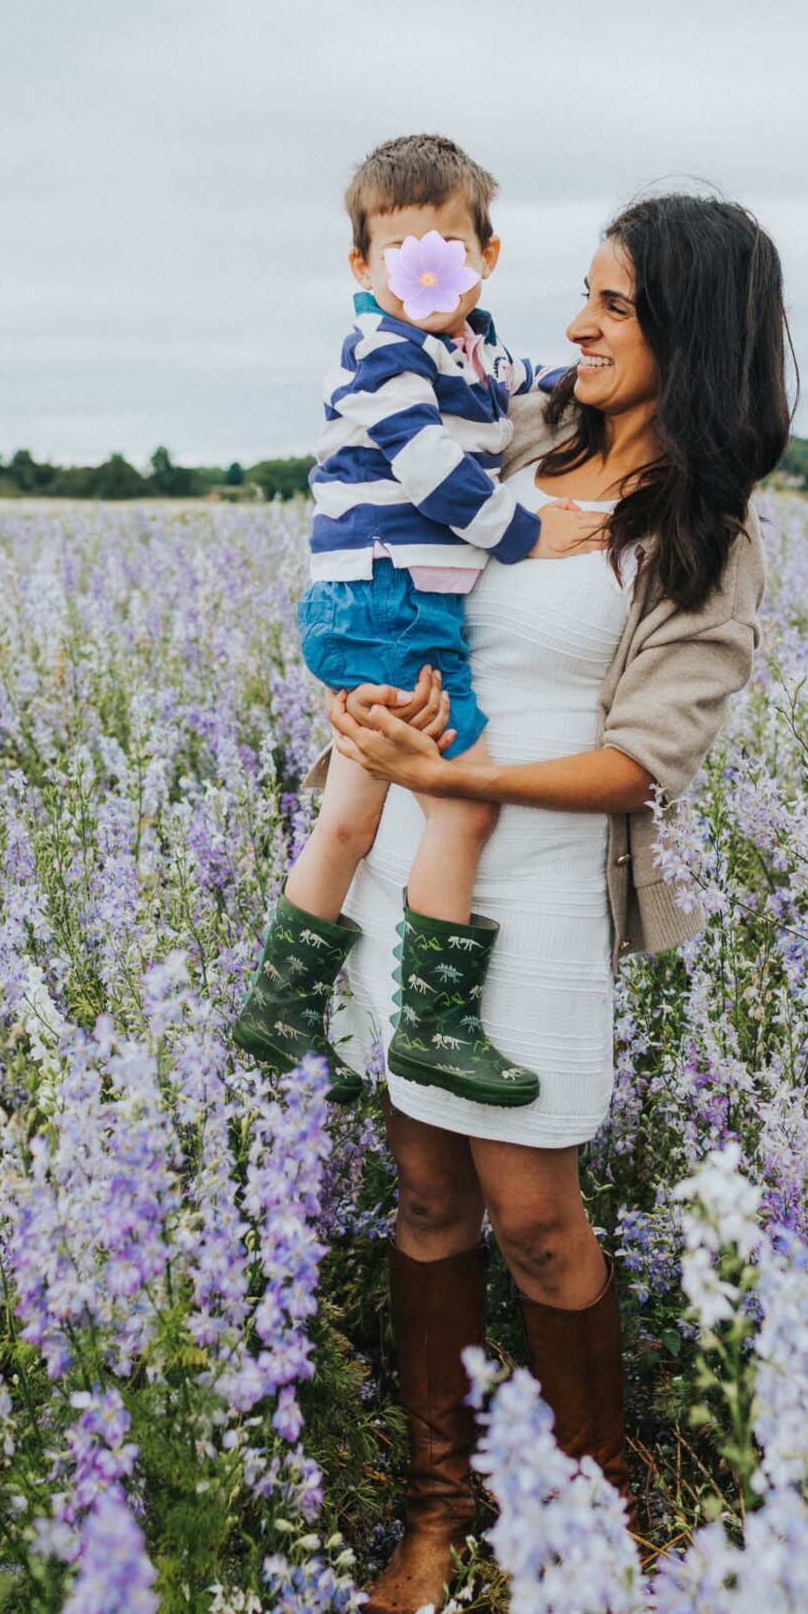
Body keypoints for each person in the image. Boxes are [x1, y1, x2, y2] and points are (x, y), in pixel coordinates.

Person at [315, 189, 795, 1614]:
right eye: (578, 294)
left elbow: (641, 759)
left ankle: (593, 1506)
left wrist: (454, 769)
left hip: (532, 872)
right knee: (423, 1189)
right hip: (407, 841)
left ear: (690, 337)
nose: (574, 325)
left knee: (532, 1215)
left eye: (613, 306)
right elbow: (364, 534)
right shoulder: (508, 442)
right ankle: (440, 1506)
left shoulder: (698, 534)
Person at [231, 133, 595, 1106]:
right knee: (465, 800)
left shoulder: (470, 345)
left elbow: (537, 391)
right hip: (391, 602)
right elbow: (431, 470)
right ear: (362, 267)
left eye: (449, 248)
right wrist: (525, 533)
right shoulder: (383, 352)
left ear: (487, 254)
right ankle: (436, 1024)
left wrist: (598, 381)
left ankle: (280, 1010)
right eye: (403, 255)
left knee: (350, 816)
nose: (428, 269)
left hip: (379, 603)